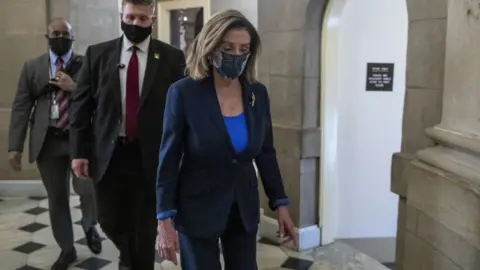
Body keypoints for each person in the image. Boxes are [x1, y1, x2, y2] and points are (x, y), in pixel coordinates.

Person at [156, 9, 298, 270]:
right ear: (210, 48)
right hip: (197, 207)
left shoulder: (257, 94)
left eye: (244, 48)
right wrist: (164, 217)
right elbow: (169, 156)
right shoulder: (184, 93)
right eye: (228, 47)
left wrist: (280, 203)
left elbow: (266, 152)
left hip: (242, 208)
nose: (236, 55)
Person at [69, 0, 186, 269]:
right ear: (121, 16)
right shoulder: (98, 54)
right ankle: (131, 256)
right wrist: (79, 151)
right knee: (108, 219)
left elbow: (180, 110)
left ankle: (135, 261)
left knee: (144, 225)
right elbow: (81, 105)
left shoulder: (170, 57)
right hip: (109, 155)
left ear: (152, 20)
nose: (135, 24)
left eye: (142, 19)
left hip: (150, 157)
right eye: (130, 17)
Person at [8, 18, 101, 270]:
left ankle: (90, 225)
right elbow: (20, 106)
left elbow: (102, 98)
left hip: (79, 140)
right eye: (55, 33)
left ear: (73, 37)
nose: (60, 37)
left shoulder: (87, 63)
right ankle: (67, 249)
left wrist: (75, 87)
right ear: (47, 37)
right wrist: (14, 147)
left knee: (87, 191)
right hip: (47, 142)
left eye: (65, 33)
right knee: (57, 198)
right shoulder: (33, 67)